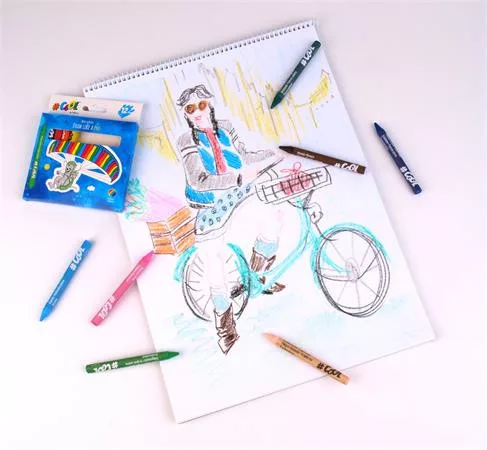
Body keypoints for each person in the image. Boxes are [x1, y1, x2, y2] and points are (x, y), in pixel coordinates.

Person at [175, 84, 284, 354]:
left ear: (209, 105)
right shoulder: (186, 141)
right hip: (210, 205)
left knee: (273, 216)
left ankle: (257, 277)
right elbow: (198, 181)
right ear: (186, 114)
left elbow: (243, 156)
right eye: (191, 108)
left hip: (238, 194)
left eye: (202, 105)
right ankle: (225, 326)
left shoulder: (224, 127)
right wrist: (237, 177)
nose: (198, 112)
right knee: (214, 260)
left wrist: (272, 154)